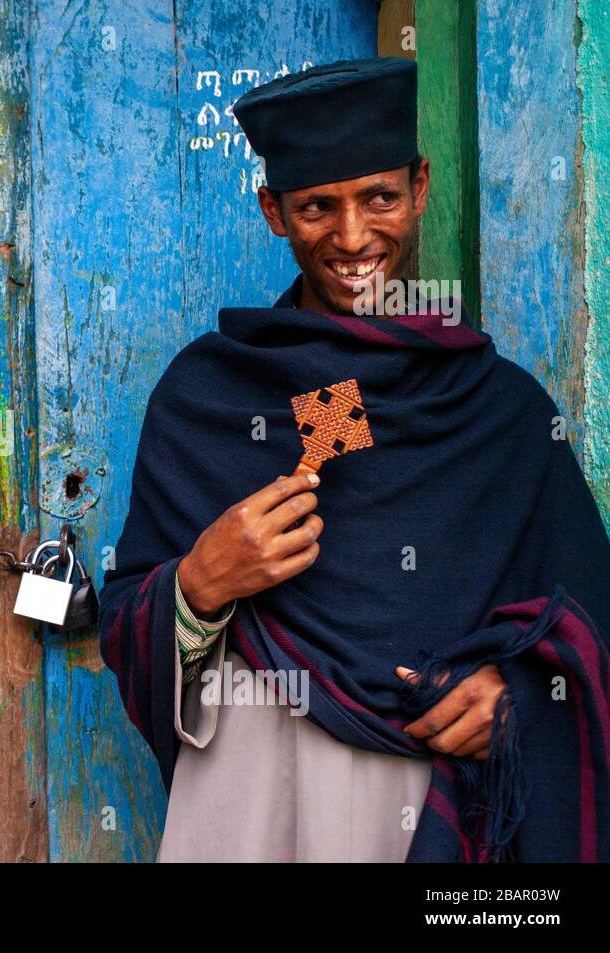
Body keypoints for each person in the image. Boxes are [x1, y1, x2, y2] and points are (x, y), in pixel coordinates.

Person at [99, 57, 610, 862]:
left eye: (379, 197)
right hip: (251, 796)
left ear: (420, 187)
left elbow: (589, 624)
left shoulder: (502, 413)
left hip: (436, 802)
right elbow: (128, 619)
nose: (351, 237)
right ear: (273, 211)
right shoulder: (210, 397)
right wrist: (199, 583)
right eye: (314, 207)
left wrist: (518, 700)